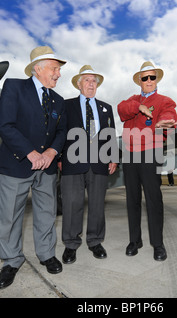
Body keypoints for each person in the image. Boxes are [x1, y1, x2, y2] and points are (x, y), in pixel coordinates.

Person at [0, 46, 67, 289]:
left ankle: (46, 254)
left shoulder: (58, 100)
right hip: (17, 164)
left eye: (58, 69)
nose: (58, 74)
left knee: (46, 213)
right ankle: (12, 261)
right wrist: (30, 152)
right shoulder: (14, 87)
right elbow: (5, 124)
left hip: (46, 168)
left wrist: (51, 152)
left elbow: (61, 132)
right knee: (10, 216)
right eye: (55, 68)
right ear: (38, 68)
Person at [118, 61, 177, 261]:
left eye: (153, 77)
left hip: (150, 153)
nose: (149, 81)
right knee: (132, 199)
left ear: (157, 79)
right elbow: (122, 109)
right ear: (140, 81)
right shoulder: (131, 100)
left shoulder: (164, 101)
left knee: (153, 199)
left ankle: (157, 244)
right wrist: (139, 106)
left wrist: (166, 121)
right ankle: (135, 240)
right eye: (145, 78)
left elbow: (169, 113)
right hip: (129, 155)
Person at [59, 65, 117, 264]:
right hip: (72, 162)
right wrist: (59, 157)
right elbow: (59, 133)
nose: (91, 84)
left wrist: (113, 156)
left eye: (94, 81)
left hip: (99, 163)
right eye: (87, 80)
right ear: (78, 84)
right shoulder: (66, 106)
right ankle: (70, 244)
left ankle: (95, 241)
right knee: (72, 204)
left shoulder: (106, 108)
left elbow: (110, 134)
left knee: (97, 206)